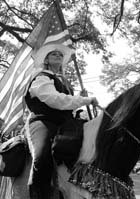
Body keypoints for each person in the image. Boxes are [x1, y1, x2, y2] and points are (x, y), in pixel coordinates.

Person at [25, 43, 98, 199]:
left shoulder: (63, 81)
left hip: (66, 123)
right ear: (46, 60)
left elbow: (67, 104)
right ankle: (38, 193)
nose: (58, 56)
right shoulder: (41, 77)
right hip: (43, 121)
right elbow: (54, 100)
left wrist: (78, 95)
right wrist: (84, 99)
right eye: (54, 54)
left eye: (60, 55)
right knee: (42, 155)